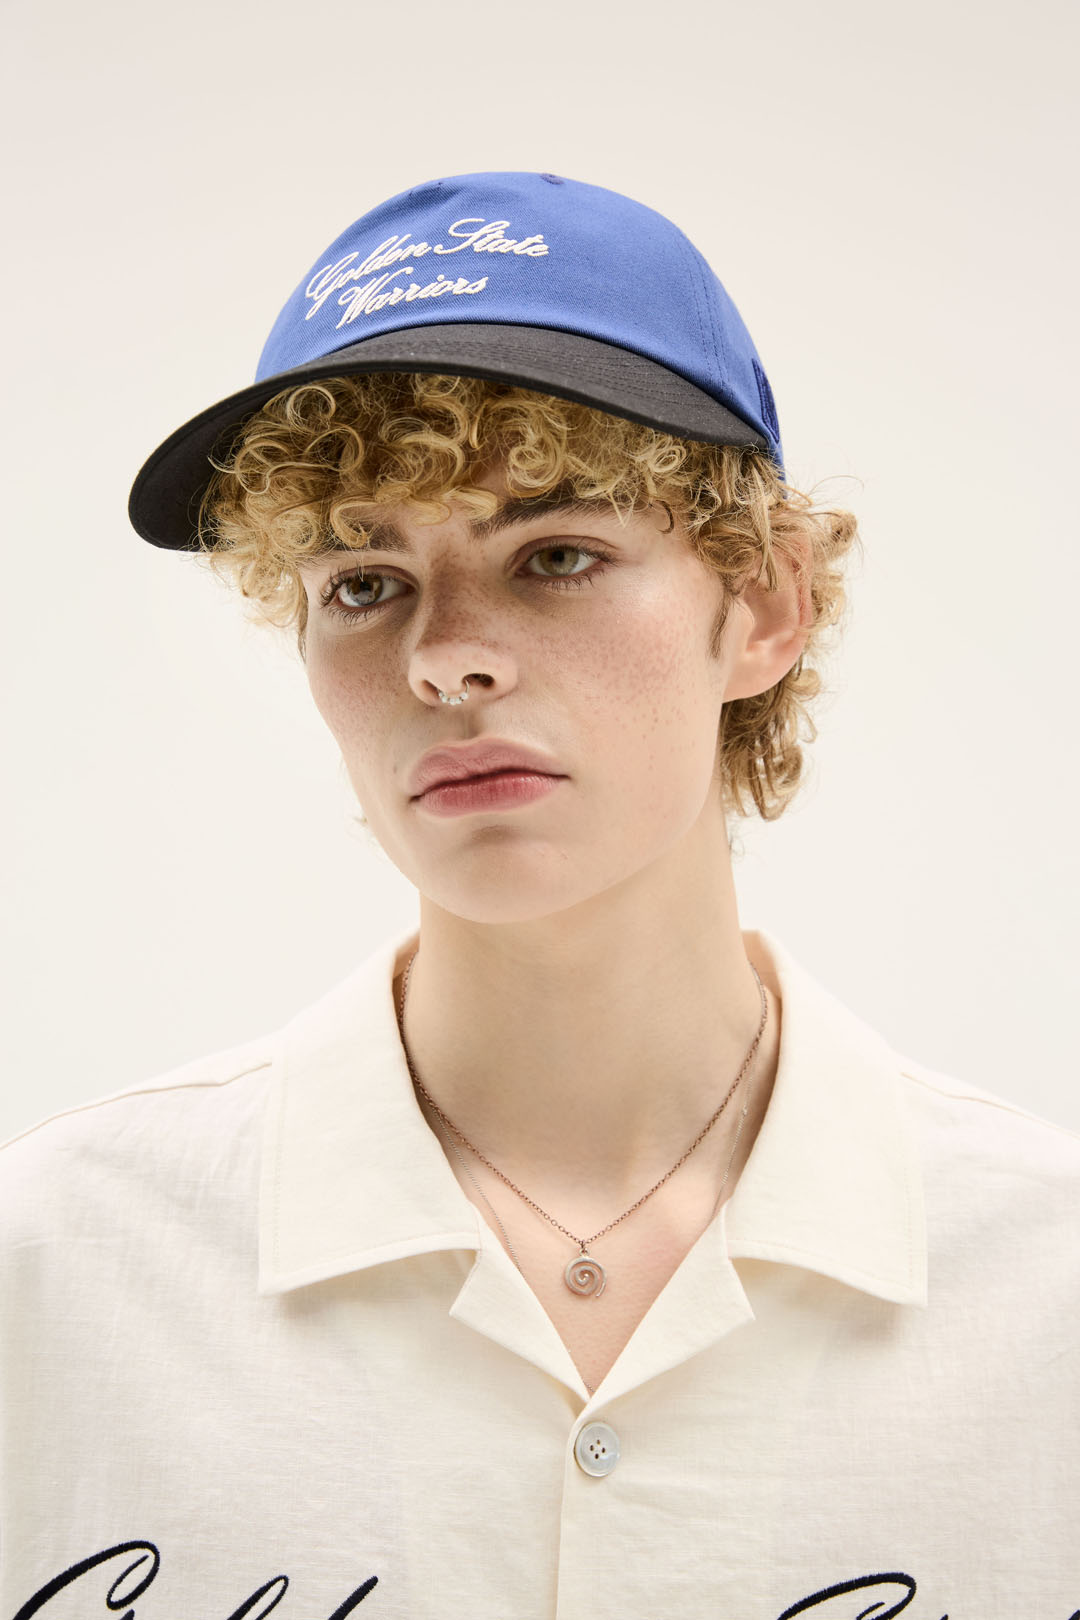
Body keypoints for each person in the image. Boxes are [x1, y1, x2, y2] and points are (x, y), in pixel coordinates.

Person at [2, 172, 1077, 1620]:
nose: (446, 658)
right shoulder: (60, 1265)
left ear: (764, 604)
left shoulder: (1046, 1285)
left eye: (556, 555)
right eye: (364, 582)